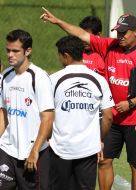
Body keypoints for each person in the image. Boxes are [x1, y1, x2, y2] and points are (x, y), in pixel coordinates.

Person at [40, 8, 136, 190]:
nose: (120, 36)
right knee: (103, 160)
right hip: (111, 117)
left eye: (124, 32)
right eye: (118, 31)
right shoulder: (109, 45)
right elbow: (81, 34)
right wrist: (57, 21)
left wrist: (131, 103)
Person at [49, 35, 114, 189]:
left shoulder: (52, 79)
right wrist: (99, 139)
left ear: (66, 55)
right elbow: (108, 117)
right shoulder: (99, 80)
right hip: (88, 149)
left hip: (60, 148)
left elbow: (46, 115)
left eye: (59, 55)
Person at [0, 29, 54, 189]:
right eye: (8, 50)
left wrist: (34, 151)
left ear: (28, 51)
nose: (10, 54)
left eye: (15, 51)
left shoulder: (39, 77)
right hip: (7, 149)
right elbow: (3, 114)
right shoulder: (6, 76)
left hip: (33, 153)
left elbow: (48, 118)